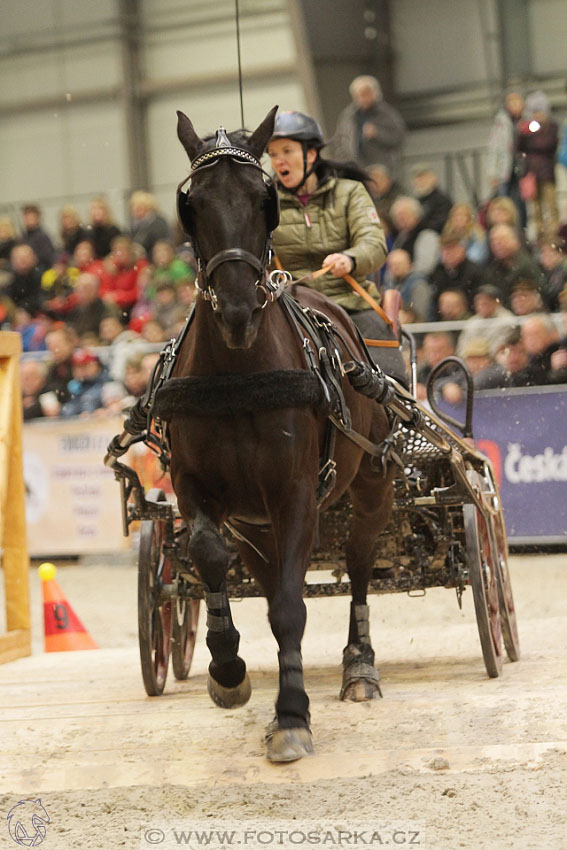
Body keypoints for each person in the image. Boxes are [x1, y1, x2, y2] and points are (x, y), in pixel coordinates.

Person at [267, 109, 406, 384]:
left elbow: (374, 244)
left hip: (348, 303)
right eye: (272, 154)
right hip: (290, 308)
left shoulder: (349, 192)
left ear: (310, 154)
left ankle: (400, 418)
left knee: (390, 379)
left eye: (286, 151)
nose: (278, 161)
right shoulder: (265, 202)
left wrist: (350, 259)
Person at [330, 75, 406, 173]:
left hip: (382, 168)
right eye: (358, 95)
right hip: (356, 167)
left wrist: (377, 133)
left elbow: (399, 137)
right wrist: (343, 161)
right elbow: (339, 140)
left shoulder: (387, 113)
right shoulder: (348, 115)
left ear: (375, 93)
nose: (362, 98)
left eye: (365, 94)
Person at [517, 90, 559, 241]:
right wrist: (523, 132)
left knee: (551, 204)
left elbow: (549, 146)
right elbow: (520, 148)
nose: (537, 115)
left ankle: (555, 235)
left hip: (547, 173)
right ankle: (540, 236)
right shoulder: (527, 129)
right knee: (536, 208)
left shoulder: (552, 127)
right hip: (532, 173)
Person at [486, 87, 527, 229]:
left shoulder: (528, 121)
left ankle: (523, 231)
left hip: (524, 169)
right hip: (506, 170)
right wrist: (493, 173)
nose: (514, 103)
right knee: (505, 203)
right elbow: (494, 149)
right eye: (511, 100)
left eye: (517, 100)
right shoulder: (501, 123)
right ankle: (508, 230)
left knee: (523, 204)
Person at [427, 232, 485, 320]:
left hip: (468, 319)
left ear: (463, 250)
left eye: (451, 249)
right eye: (444, 250)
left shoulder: (476, 272)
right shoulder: (437, 272)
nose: (448, 254)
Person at [484, 224, 542, 308]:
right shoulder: (494, 267)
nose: (497, 244)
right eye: (493, 241)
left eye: (501, 239)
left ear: (515, 241)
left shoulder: (526, 266)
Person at [456, 285, 515, 358]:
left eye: (486, 300)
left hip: (496, 364)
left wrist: (481, 357)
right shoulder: (472, 322)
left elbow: (500, 349)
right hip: (471, 364)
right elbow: (461, 350)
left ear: (497, 302)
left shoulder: (507, 321)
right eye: (478, 300)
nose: (481, 303)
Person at [389, 196, 440, 278]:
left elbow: (425, 267)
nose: (401, 219)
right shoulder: (401, 237)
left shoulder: (427, 235)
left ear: (416, 215)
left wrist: (405, 271)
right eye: (397, 216)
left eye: (404, 215)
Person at [383, 249, 431, 322]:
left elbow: (420, 315)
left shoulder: (418, 284)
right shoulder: (388, 285)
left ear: (409, 264)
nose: (395, 268)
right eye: (391, 265)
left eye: (399, 264)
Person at [60, 349, 109, 417]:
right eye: (76, 366)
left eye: (83, 365)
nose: (79, 370)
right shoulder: (75, 386)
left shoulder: (107, 383)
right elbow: (69, 411)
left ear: (95, 365)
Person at [410, 164, 453, 234]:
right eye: (416, 178)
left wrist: (417, 225)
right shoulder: (415, 201)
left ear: (433, 178)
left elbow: (440, 224)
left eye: (423, 177)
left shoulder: (442, 200)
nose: (419, 181)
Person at [2, 244, 43, 315]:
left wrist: (24, 309)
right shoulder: (10, 281)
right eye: (17, 258)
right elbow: (6, 300)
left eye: (25, 257)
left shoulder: (42, 277)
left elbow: (41, 299)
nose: (21, 261)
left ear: (34, 258)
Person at [129, 191, 170, 257]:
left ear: (149, 207)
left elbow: (162, 243)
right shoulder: (135, 225)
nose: (135, 209)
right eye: (133, 207)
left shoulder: (158, 223)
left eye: (139, 207)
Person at [20, 204, 55, 271]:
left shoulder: (43, 237)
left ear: (38, 218)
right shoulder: (22, 236)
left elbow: (47, 258)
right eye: (26, 217)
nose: (28, 220)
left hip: (40, 270)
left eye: (31, 217)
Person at [539, 238, 567, 311]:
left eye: (549, 253)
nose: (545, 257)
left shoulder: (563, 270)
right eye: (543, 253)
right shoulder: (550, 272)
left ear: (560, 254)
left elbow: (553, 295)